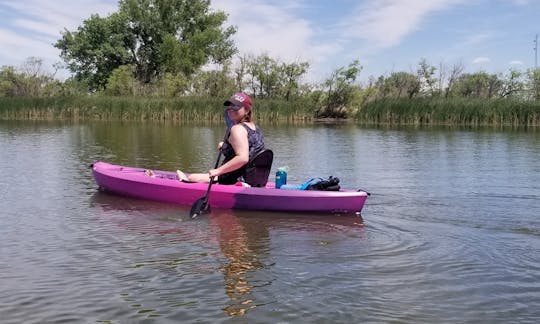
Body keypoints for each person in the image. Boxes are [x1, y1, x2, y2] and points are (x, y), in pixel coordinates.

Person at [175, 92, 265, 184]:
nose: (231, 109)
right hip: (252, 179)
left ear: (247, 110)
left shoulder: (237, 129)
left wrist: (218, 171)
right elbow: (249, 149)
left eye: (236, 107)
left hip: (234, 180)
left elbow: (243, 158)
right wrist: (225, 147)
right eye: (230, 106)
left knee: (192, 177)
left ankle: (183, 181)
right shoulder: (254, 127)